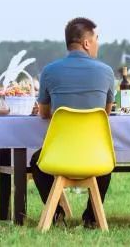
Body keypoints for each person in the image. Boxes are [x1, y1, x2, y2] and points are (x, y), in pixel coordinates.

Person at [30, 17, 115, 229]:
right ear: (86, 43)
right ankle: (92, 217)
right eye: (96, 39)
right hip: (95, 156)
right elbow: (105, 114)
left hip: (59, 155)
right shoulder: (106, 72)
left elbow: (43, 113)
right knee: (108, 162)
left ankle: (56, 213)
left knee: (36, 161)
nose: (97, 43)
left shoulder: (49, 71)